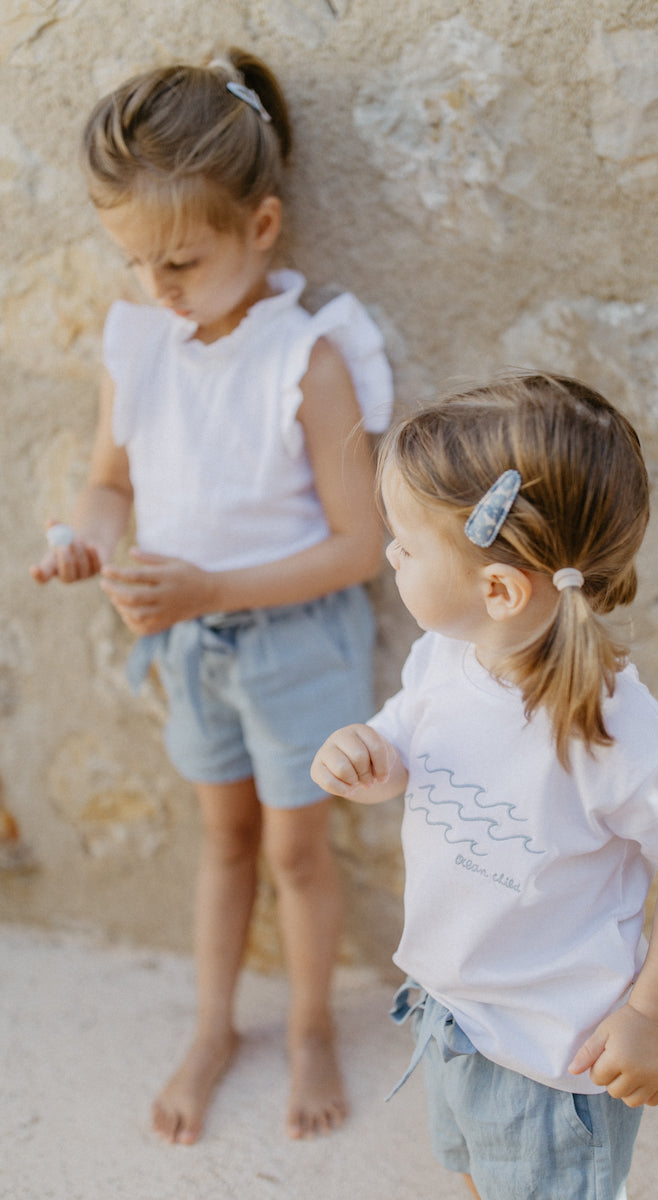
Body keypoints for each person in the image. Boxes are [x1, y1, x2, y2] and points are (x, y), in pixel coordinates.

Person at [31, 47, 392, 1145]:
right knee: (221, 842)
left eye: (182, 260)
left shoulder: (310, 357)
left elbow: (361, 546)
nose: (160, 287)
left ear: (263, 228)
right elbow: (108, 482)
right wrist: (83, 543)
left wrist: (206, 587)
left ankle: (311, 1026)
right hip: (193, 651)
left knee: (293, 850)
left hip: (293, 647)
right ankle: (211, 1025)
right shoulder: (139, 341)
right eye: (138, 263)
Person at [312, 373, 658, 1200]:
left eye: (405, 542)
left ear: (499, 590)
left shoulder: (612, 731)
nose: (390, 553)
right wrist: (371, 756)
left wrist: (655, 1017)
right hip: (457, 1012)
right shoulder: (444, 656)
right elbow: (410, 741)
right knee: (473, 1170)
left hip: (554, 1052)